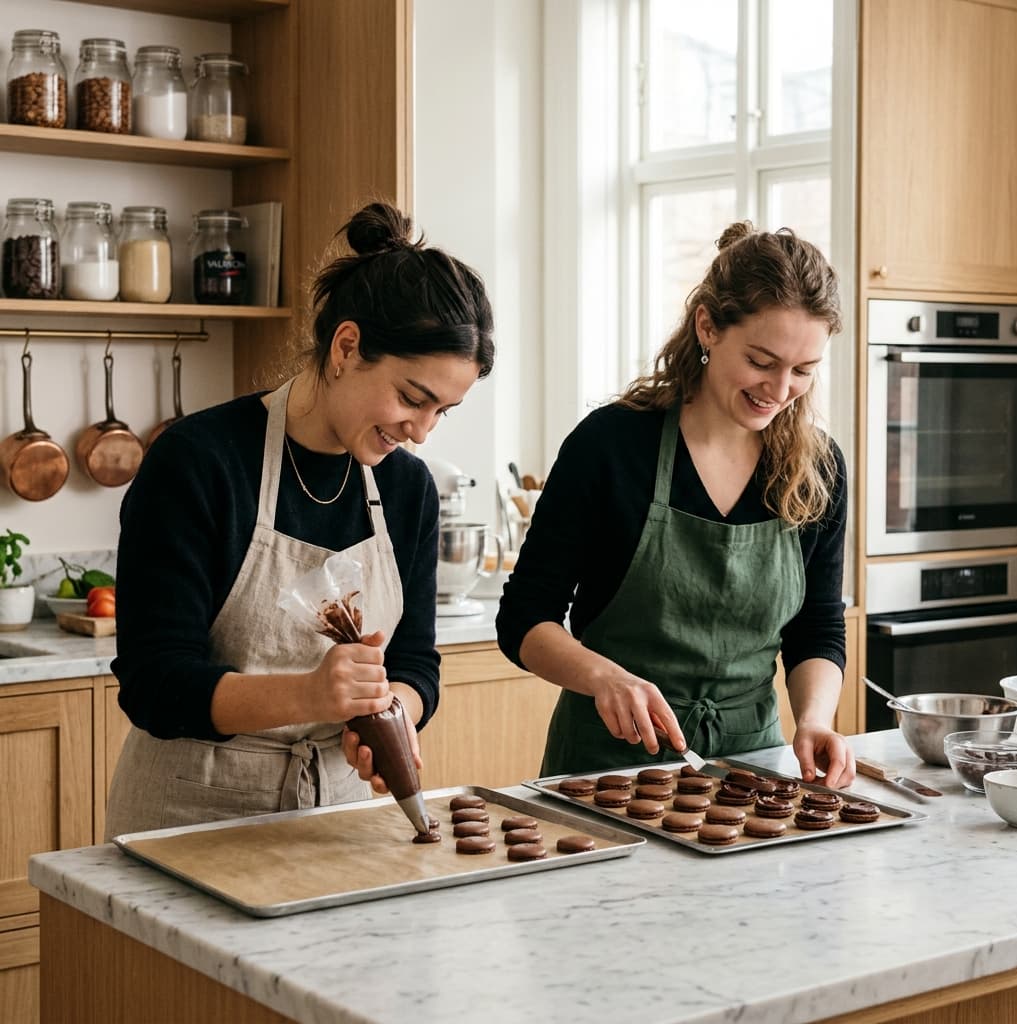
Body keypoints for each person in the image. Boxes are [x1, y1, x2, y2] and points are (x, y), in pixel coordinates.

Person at [105, 200, 494, 839]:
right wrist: (311, 695)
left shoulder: (406, 489)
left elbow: (417, 660)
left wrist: (390, 712)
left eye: (441, 412)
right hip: (188, 819)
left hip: (342, 815)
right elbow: (155, 685)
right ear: (346, 346)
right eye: (410, 398)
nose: (420, 432)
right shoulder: (200, 461)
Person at [496, 221, 855, 788]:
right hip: (608, 771)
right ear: (707, 327)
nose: (780, 389)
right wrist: (603, 678)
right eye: (762, 361)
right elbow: (524, 619)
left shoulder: (818, 468)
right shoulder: (610, 446)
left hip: (753, 771)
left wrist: (813, 719)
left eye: (803, 371)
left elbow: (816, 627)